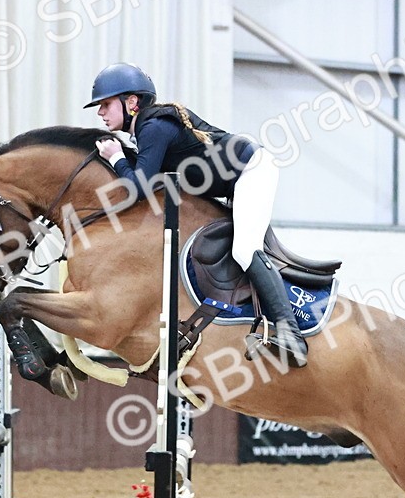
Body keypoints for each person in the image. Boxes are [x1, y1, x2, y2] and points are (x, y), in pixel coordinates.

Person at [85, 62, 308, 367]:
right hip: (235, 178)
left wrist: (117, 158)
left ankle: (290, 334)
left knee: (244, 249)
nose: (100, 112)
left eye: (106, 104)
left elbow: (138, 188)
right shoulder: (147, 129)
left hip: (252, 169)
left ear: (132, 102)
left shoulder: (153, 127)